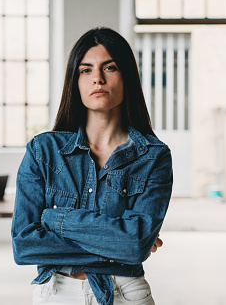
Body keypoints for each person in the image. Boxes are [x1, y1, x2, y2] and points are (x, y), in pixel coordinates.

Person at [12, 27, 173, 305]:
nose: (97, 78)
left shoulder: (154, 156)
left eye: (109, 68)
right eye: (85, 70)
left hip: (126, 293)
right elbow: (25, 245)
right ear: (75, 81)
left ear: (128, 77)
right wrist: (118, 245)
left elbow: (134, 246)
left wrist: (55, 218)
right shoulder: (43, 151)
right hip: (56, 293)